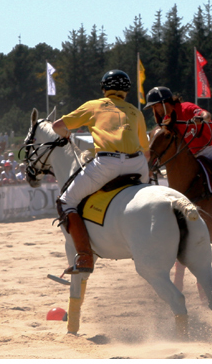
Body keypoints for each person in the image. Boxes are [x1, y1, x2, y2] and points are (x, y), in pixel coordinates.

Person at [50, 71, 150, 274]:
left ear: (104, 88)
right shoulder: (135, 111)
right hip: (138, 164)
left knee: (66, 201)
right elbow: (146, 151)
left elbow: (57, 126)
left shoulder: (94, 105)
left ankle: (85, 257)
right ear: (126, 91)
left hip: (107, 163)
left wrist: (66, 135)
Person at [144, 85, 212, 229]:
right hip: (195, 154)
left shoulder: (186, 108)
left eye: (156, 106)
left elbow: (206, 114)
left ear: (165, 103)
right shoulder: (167, 120)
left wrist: (201, 118)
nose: (155, 110)